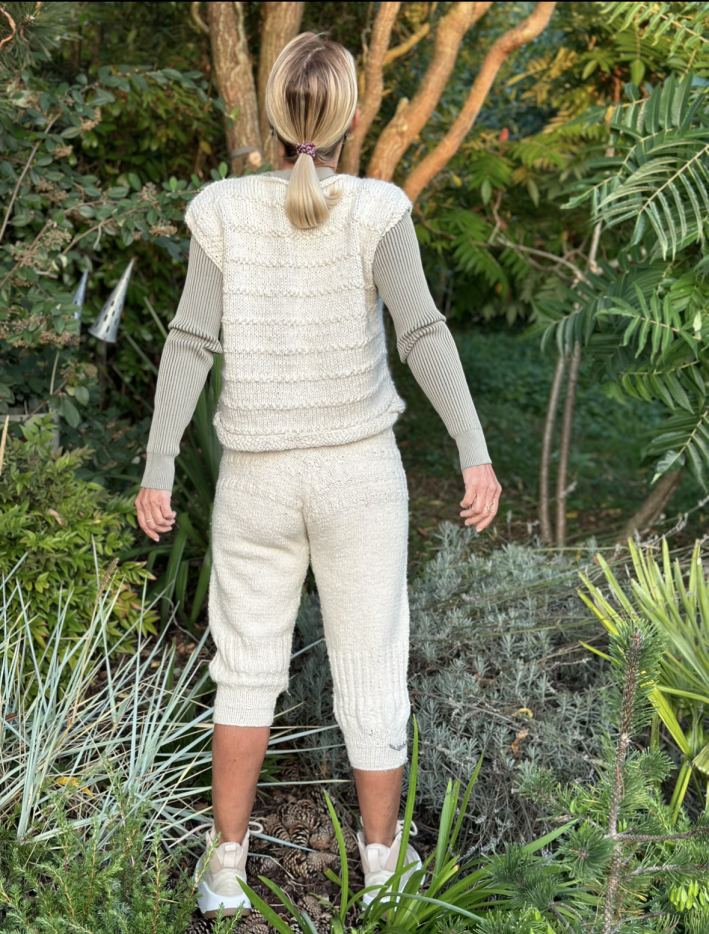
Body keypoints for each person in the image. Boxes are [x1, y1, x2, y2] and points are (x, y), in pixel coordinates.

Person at [135, 30, 501, 920]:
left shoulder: (222, 209)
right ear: (350, 115)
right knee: (371, 671)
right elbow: (422, 332)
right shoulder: (376, 210)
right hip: (357, 480)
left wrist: (159, 465)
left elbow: (189, 341)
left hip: (254, 483)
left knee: (244, 672)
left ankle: (225, 871)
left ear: (271, 110)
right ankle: (383, 870)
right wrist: (472, 447)